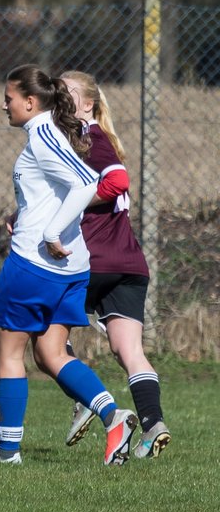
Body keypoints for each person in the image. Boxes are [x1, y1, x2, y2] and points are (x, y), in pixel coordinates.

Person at [0, 64, 138, 466]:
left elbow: (87, 183)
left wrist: (50, 232)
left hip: (35, 263)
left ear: (30, 102)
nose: (4, 105)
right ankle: (113, 416)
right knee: (50, 353)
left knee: (8, 353)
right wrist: (25, 212)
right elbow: (61, 187)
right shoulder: (52, 132)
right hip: (73, 267)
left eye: (9, 98)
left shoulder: (43, 136)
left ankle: (7, 452)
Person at [59, 70, 170, 459]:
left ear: (88, 103)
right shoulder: (88, 138)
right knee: (129, 350)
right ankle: (153, 423)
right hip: (130, 263)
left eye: (67, 92)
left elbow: (116, 181)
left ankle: (88, 401)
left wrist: (69, 206)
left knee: (47, 335)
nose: (58, 96)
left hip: (95, 258)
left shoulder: (87, 137)